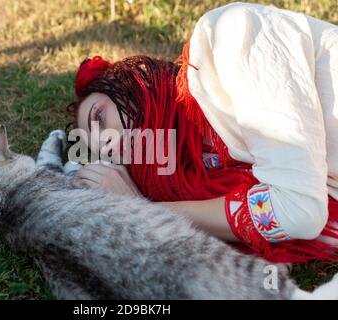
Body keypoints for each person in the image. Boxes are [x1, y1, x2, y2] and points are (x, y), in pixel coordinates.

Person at [66, 2, 338, 263]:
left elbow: (300, 212)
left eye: (99, 117)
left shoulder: (228, 37)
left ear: (132, 77)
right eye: (105, 149)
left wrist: (142, 211)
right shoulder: (208, 171)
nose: (111, 141)